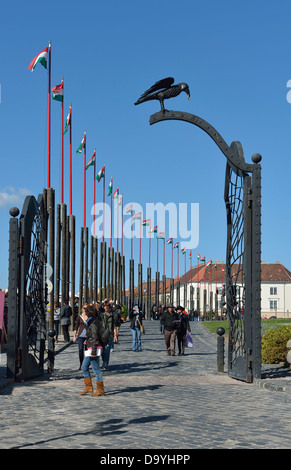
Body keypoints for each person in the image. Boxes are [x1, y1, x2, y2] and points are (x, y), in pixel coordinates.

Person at [80, 304, 105, 396]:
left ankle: (100, 389)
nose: (82, 315)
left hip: (94, 349)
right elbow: (93, 336)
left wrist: (93, 352)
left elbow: (95, 338)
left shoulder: (93, 324)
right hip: (90, 348)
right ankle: (89, 387)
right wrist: (88, 340)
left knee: (96, 369)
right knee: (84, 367)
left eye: (83, 314)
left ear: (88, 315)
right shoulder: (91, 323)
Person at [99, 300, 117, 370]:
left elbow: (114, 326)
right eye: (105, 307)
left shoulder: (112, 316)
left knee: (107, 350)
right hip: (102, 335)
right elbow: (98, 309)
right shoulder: (101, 315)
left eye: (107, 307)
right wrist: (103, 301)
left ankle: (105, 364)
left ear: (110, 307)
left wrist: (115, 336)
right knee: (102, 351)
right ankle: (104, 361)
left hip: (109, 335)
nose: (106, 308)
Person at [73, 304, 88, 369]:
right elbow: (76, 327)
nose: (85, 309)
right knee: (80, 350)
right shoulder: (79, 317)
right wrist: (74, 336)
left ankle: (86, 364)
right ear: (82, 309)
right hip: (80, 335)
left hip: (88, 336)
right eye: (84, 308)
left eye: (86, 308)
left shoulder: (90, 317)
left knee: (87, 351)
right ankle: (81, 364)